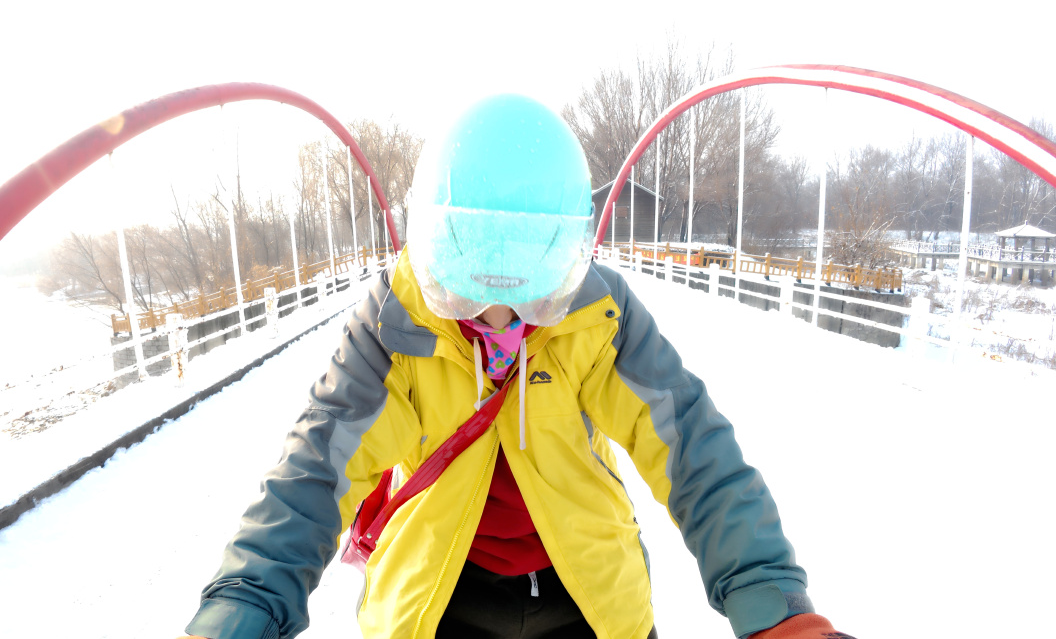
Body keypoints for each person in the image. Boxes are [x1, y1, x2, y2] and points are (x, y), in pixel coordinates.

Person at [179, 95, 852, 639]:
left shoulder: (597, 316)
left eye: (530, 295)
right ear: (438, 250)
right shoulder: (396, 325)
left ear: (563, 259)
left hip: (586, 594)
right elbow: (316, 467)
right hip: (440, 596)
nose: (498, 321)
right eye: (468, 293)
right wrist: (243, 606)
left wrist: (771, 602)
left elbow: (691, 446)